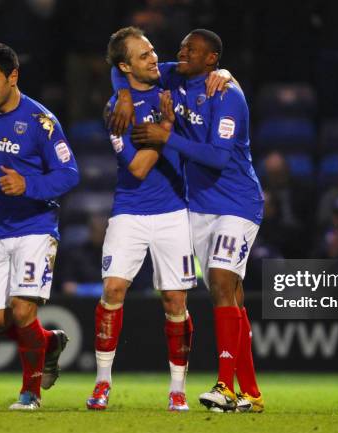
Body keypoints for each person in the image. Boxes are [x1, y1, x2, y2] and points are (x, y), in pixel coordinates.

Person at [111, 29, 265, 413]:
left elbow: (216, 157)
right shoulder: (174, 75)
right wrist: (126, 95)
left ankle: (224, 387)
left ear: (211, 59)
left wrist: (166, 137)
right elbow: (122, 68)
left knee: (219, 280)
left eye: (190, 50)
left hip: (236, 203)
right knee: (232, 297)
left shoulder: (227, 94)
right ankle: (251, 393)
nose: (179, 53)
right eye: (179, 46)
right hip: (197, 206)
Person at [86, 26, 232, 413]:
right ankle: (102, 383)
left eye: (152, 51)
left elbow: (212, 69)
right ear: (125, 65)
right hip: (130, 212)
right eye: (144, 55)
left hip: (173, 212)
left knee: (174, 299)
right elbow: (135, 168)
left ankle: (178, 388)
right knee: (113, 291)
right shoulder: (116, 109)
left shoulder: (172, 82)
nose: (155, 58)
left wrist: (228, 74)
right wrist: (164, 126)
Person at [0, 43, 80, 410]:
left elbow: (69, 174)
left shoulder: (42, 122)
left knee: (23, 311)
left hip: (36, 227)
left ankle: (30, 394)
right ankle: (49, 342)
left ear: (13, 76)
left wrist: (29, 186)